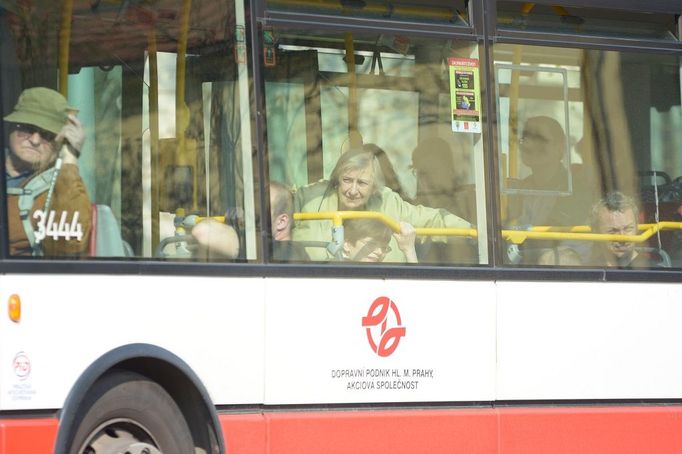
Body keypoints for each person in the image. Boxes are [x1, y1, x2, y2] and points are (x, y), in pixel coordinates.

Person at [293, 145, 470, 262]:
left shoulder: (387, 202)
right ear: (337, 180)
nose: (353, 190)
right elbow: (277, 209)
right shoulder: (309, 198)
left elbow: (432, 220)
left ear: (374, 188)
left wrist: (476, 232)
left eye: (362, 183)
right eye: (347, 180)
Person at [4, 87, 91, 256]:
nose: (35, 140)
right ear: (11, 128)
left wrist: (70, 156)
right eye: (27, 128)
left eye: (47, 135)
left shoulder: (58, 187)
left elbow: (68, 248)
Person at [192, 181, 308, 261]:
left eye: (256, 213)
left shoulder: (284, 252)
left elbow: (202, 232)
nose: (248, 217)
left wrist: (234, 229)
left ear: (281, 222)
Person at [508, 116, 591, 227]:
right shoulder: (522, 188)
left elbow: (552, 235)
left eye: (539, 140)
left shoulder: (576, 190)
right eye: (525, 139)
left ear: (560, 148)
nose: (529, 145)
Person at [588, 191, 656, 268]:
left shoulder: (654, 272)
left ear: (637, 228)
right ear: (596, 232)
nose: (622, 237)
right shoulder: (587, 271)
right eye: (613, 231)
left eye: (628, 229)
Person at [342, 218, 417, 263]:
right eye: (371, 245)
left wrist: (409, 250)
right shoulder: (333, 273)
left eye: (384, 248)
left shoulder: (383, 274)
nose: (380, 252)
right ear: (346, 244)